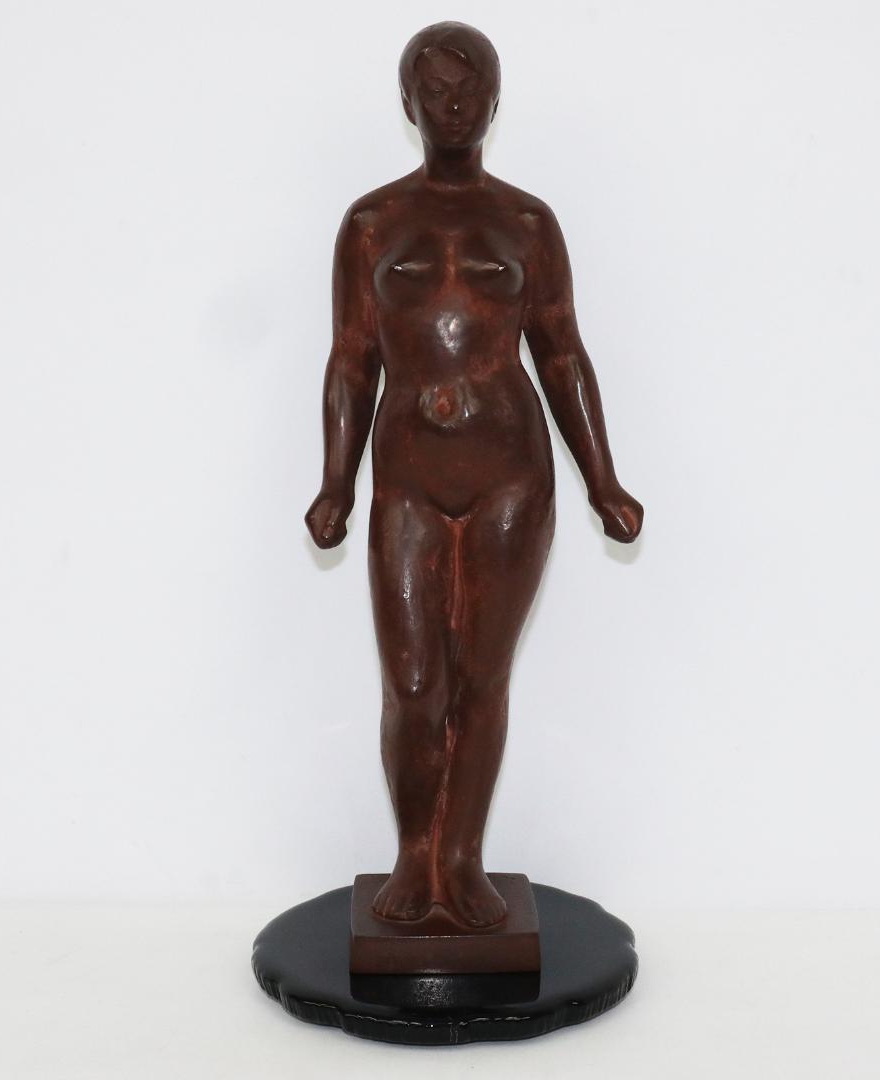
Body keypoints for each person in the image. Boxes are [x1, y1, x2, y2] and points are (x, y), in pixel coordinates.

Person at [305, 22, 643, 928]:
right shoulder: (373, 223)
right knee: (415, 685)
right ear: (406, 103)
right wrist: (336, 483)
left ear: (495, 102)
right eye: (433, 89)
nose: (451, 105)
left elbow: (562, 353)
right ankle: (414, 859)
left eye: (469, 89)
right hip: (409, 480)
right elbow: (350, 361)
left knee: (480, 679)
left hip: (509, 477)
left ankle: (461, 861)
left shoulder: (527, 224)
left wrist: (603, 481)